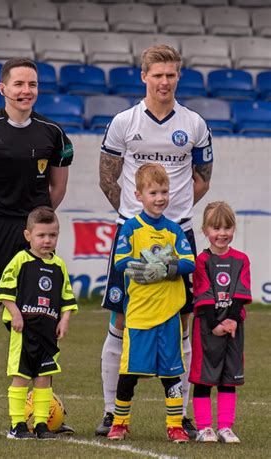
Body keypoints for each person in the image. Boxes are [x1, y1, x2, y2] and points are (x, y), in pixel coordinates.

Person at [96, 44, 213, 438]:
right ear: (143, 76)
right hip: (131, 233)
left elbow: (203, 178)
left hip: (180, 233)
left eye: (171, 74)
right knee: (120, 320)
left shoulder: (195, 123)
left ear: (179, 76)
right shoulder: (123, 122)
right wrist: (135, 220)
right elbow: (107, 177)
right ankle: (112, 412)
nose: (164, 81)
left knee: (182, 321)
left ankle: (179, 415)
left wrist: (170, 224)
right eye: (157, 74)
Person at [0, 57, 74, 431]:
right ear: (3, 89)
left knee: (40, 323)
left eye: (33, 85)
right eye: (19, 84)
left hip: (33, 239)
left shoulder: (53, 133)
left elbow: (57, 188)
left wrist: (34, 226)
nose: (27, 91)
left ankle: (41, 416)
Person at [107, 163, 195, 443]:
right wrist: (145, 266)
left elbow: (189, 262)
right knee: (129, 374)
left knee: (171, 377)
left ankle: (175, 425)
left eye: (164, 192)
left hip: (168, 316)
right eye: (153, 192)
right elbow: (120, 262)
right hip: (140, 317)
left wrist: (167, 267)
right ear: (138, 195)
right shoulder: (132, 228)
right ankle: (119, 422)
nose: (160, 198)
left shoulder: (174, 230)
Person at [0, 206, 77, 440]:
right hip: (24, 333)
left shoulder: (59, 265)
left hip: (47, 334)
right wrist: (16, 313)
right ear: (28, 235)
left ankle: (41, 424)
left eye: (52, 235)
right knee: (21, 377)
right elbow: (4, 292)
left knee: (44, 378)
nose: (47, 240)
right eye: (41, 235)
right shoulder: (20, 260)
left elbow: (66, 297)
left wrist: (64, 320)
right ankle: (17, 425)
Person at [190, 201, 251, 444]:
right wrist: (215, 323)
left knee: (229, 378)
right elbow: (202, 294)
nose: (222, 234)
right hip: (207, 327)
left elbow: (240, 292)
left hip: (234, 329)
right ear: (205, 230)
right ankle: (205, 428)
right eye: (215, 228)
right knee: (203, 378)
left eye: (227, 228)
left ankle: (226, 427)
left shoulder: (241, 259)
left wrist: (233, 320)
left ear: (233, 229)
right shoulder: (201, 261)